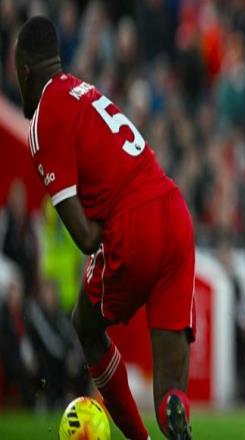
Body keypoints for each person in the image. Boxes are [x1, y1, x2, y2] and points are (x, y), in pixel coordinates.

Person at [15, 16, 194, 440]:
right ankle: (175, 408)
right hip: (173, 208)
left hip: (133, 223)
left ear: (23, 70)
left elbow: (84, 237)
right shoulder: (83, 89)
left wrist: (111, 220)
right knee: (170, 386)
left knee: (85, 324)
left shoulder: (44, 119)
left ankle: (138, 438)